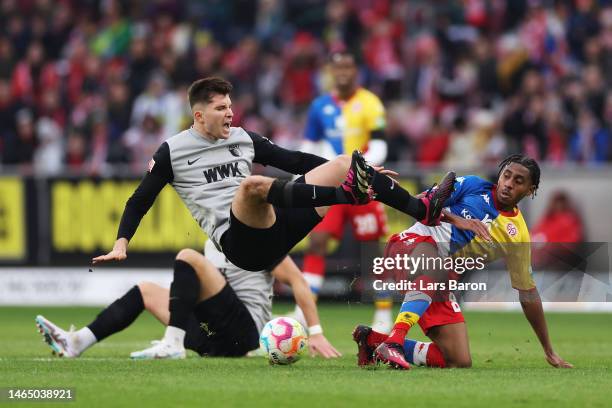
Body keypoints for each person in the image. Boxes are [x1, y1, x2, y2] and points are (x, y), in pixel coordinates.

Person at [91, 76, 456, 275]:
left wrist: (362, 171)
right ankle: (350, 195)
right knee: (251, 186)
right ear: (199, 116)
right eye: (221, 108)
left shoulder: (244, 138)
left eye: (231, 106)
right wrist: (122, 242)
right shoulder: (172, 150)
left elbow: (295, 160)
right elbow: (141, 199)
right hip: (241, 245)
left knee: (347, 161)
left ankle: (422, 209)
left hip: (281, 226)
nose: (230, 114)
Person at [353, 154, 573, 369]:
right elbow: (421, 202)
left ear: (530, 190)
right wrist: (459, 220)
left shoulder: (518, 236)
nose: (508, 184)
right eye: (506, 176)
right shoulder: (473, 185)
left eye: (518, 181)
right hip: (410, 246)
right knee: (435, 268)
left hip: (437, 278)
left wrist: (548, 350)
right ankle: (394, 341)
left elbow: (528, 293)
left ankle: (373, 341)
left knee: (457, 359)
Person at [36, 240, 341, 359]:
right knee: (145, 289)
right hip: (212, 340)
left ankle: (173, 343)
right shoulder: (214, 239)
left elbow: (299, 282)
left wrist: (316, 332)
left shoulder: (258, 241)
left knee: (187, 257)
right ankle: (77, 343)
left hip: (246, 335)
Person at [295, 51, 393, 333]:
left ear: (356, 71)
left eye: (348, 67)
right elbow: (310, 146)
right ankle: (305, 311)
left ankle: (383, 314)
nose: (343, 72)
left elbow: (380, 146)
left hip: (363, 186)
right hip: (332, 188)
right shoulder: (319, 106)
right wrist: (306, 178)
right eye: (337, 67)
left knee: (373, 251)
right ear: (330, 71)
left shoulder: (370, 103)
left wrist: (360, 168)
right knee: (317, 241)